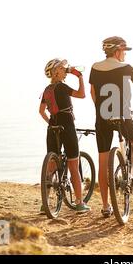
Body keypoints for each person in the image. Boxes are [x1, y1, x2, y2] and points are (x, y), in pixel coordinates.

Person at [89, 36, 133, 217]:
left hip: (102, 119)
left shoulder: (95, 67)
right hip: (123, 117)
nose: (125, 54)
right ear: (117, 51)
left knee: (103, 162)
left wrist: (101, 111)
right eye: (124, 51)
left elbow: (93, 93)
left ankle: (105, 206)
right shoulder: (125, 68)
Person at [39, 58, 91, 213]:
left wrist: (51, 122)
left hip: (52, 128)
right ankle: (80, 203)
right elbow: (82, 95)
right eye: (62, 68)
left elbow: (41, 111)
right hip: (67, 127)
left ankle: (45, 204)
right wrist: (80, 77)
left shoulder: (47, 90)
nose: (65, 70)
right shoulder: (62, 87)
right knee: (74, 165)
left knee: (51, 166)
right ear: (55, 72)